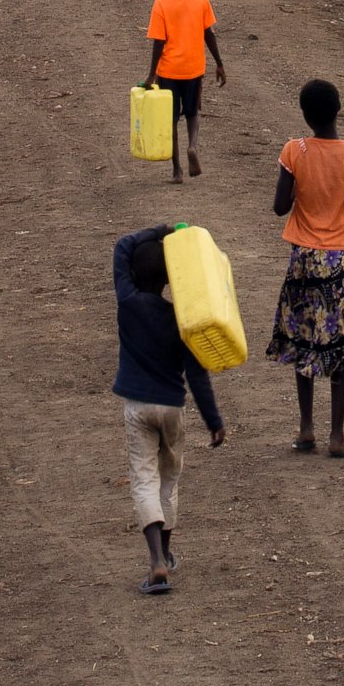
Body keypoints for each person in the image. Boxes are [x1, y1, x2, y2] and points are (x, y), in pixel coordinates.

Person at [112, 224, 225, 596]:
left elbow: (122, 246)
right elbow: (197, 374)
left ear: (134, 274)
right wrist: (214, 420)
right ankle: (169, 549)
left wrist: (160, 229)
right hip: (173, 407)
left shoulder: (127, 302)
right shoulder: (180, 320)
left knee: (144, 480)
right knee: (169, 480)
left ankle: (156, 561)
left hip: (138, 406)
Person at [267, 79, 344, 459]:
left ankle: (306, 429)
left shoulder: (293, 151)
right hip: (342, 260)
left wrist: (301, 183)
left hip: (304, 259)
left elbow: (280, 207)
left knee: (303, 339)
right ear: (339, 109)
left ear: (304, 114)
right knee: (340, 343)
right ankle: (337, 436)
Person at [144, 0, 225, 180]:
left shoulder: (161, 4)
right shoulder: (201, 0)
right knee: (192, 112)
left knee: (170, 120)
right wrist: (219, 63)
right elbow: (209, 34)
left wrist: (152, 73)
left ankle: (177, 170)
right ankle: (192, 146)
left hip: (168, 71)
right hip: (193, 68)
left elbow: (159, 42)